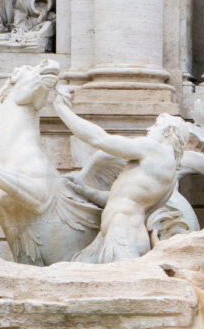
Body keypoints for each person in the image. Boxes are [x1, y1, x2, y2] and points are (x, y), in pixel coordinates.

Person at [53, 92, 188, 263]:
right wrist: (86, 192)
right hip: (113, 237)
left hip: (123, 237)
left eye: (155, 126)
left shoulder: (154, 150)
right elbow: (124, 198)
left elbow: (99, 139)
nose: (149, 129)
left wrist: (61, 109)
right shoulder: (168, 172)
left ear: (168, 131)